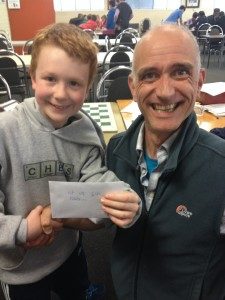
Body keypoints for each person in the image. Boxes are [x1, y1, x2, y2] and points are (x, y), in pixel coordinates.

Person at [0, 23, 140, 300]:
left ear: (88, 88)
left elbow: (95, 178)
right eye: (50, 78)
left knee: (78, 290)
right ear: (32, 78)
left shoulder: (86, 130)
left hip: (67, 252)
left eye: (74, 83)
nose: (61, 94)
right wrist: (24, 229)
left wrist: (121, 196)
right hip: (20, 266)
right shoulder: (5, 131)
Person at [106, 24, 225, 299]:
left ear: (199, 81)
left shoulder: (220, 169)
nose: (165, 92)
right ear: (133, 87)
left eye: (180, 72)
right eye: (150, 75)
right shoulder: (116, 149)